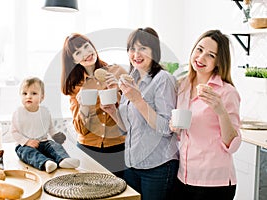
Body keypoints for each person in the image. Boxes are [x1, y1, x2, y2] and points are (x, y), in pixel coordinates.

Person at [101, 27, 179, 200]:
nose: (136, 54)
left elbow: (166, 127)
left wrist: (137, 100)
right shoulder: (130, 79)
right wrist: (113, 111)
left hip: (158, 166)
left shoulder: (163, 79)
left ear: (154, 51)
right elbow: (127, 128)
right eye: (132, 49)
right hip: (132, 163)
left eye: (143, 48)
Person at [170, 30, 241, 200]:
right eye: (199, 50)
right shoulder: (183, 85)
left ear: (218, 62)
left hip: (214, 183)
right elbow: (185, 133)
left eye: (210, 55)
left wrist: (220, 110)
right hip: (184, 177)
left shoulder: (226, 92)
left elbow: (233, 145)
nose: (201, 58)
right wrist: (174, 127)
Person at [61, 33, 128, 178]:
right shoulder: (75, 86)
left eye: (86, 47)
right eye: (78, 53)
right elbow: (80, 130)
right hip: (87, 150)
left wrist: (116, 90)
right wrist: (83, 106)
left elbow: (132, 117)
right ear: (73, 60)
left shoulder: (117, 72)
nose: (86, 54)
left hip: (118, 148)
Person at [10, 77, 80, 173]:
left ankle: (63, 159)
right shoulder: (18, 113)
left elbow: (50, 127)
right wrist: (27, 141)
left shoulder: (45, 112)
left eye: (34, 93)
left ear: (42, 97)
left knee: (54, 146)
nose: (28, 96)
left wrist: (55, 135)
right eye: (24, 93)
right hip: (25, 145)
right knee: (28, 153)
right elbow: (14, 132)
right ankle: (46, 163)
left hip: (43, 142)